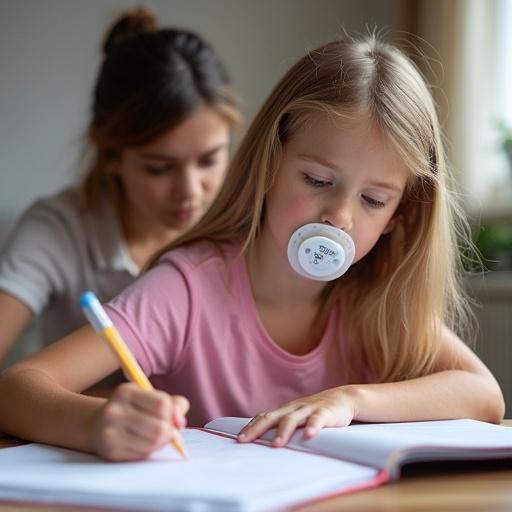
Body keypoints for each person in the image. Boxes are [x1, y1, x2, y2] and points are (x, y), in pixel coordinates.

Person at [0, 34, 504, 461]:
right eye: (316, 178)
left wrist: (350, 400)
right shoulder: (189, 287)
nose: (340, 216)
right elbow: (17, 388)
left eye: (374, 199)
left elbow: (484, 395)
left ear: (400, 216)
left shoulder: (375, 298)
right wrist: (99, 422)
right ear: (269, 160)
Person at [0, 7, 240, 364]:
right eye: (159, 168)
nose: (190, 190)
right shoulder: (59, 230)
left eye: (209, 160)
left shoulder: (245, 228)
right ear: (111, 155)